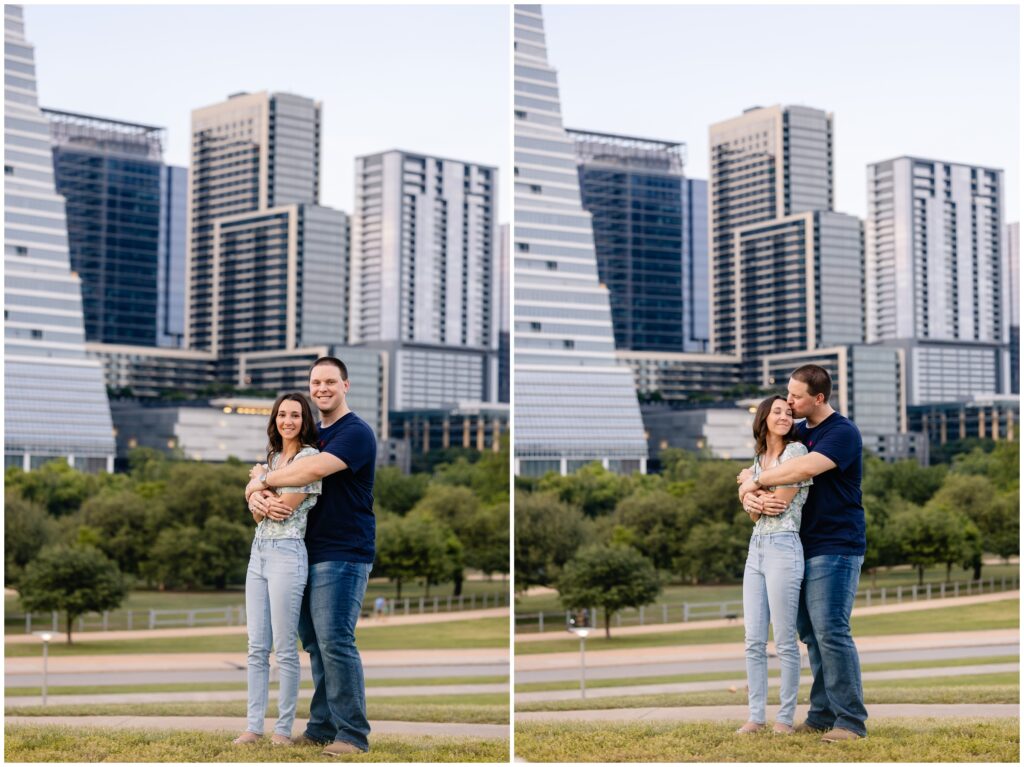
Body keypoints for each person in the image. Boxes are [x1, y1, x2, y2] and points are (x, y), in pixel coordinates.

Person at [246, 356, 377, 755]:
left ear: (345, 386)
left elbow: (309, 472)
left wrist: (260, 480)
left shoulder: (355, 433)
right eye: (316, 382)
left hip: (344, 550)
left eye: (330, 382)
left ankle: (352, 734)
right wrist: (255, 489)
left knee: (336, 640)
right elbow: (276, 474)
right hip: (302, 551)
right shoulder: (313, 432)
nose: (322, 388)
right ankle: (321, 727)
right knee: (315, 645)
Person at [738, 364, 869, 742]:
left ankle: (850, 721)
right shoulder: (796, 430)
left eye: (796, 396)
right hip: (796, 544)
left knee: (831, 630)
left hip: (836, 544)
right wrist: (747, 483)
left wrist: (755, 480)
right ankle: (822, 714)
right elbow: (759, 466)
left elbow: (804, 468)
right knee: (811, 634)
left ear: (819, 398)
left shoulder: (841, 432)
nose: (789, 401)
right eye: (788, 394)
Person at [234, 393, 321, 746]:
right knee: (257, 647)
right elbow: (257, 514)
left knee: (285, 648)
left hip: (288, 553)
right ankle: (253, 727)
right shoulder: (273, 459)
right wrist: (257, 491)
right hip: (259, 554)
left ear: (304, 420)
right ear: (275, 420)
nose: (288, 420)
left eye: (295, 415)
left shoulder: (309, 458)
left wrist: (258, 485)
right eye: (282, 414)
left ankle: (282, 730)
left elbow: (284, 507)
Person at [735, 395, 811, 736]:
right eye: (777, 411)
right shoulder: (758, 461)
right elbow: (753, 512)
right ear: (764, 417)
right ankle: (755, 717)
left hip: (784, 545)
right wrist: (750, 495)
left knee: (783, 641)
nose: (784, 416)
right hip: (757, 549)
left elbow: (779, 504)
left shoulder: (796, 453)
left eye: (788, 412)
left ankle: (784, 718)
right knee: (753, 640)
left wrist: (751, 489)